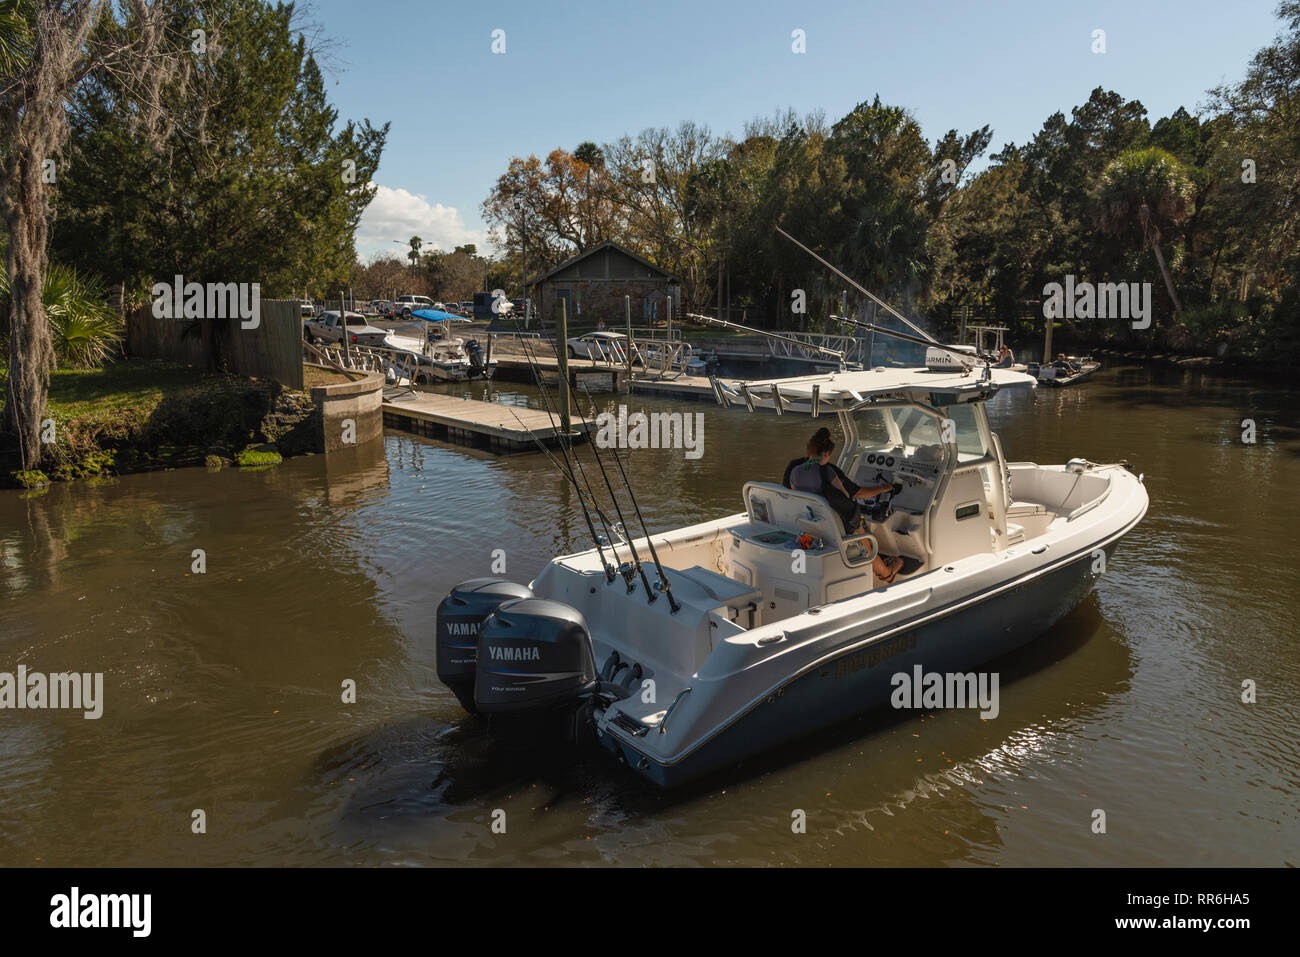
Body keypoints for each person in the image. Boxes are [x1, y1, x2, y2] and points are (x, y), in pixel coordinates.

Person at [782, 427, 905, 583]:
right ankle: (886, 573)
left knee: (854, 522)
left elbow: (790, 492)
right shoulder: (827, 471)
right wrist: (886, 487)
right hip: (831, 524)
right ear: (826, 453)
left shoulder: (794, 466)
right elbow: (856, 494)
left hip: (804, 520)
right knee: (859, 530)